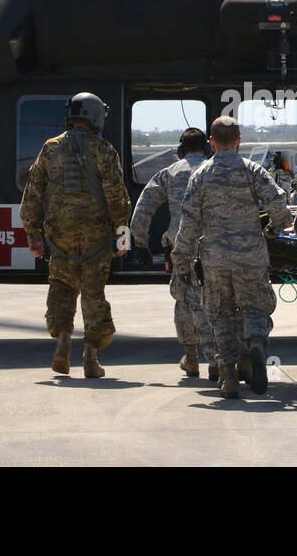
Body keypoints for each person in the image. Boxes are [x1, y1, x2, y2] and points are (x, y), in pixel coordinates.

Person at [174, 116, 292, 399]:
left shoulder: (200, 174)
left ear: (212, 143)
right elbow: (279, 205)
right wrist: (274, 227)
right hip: (250, 256)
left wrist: (181, 259)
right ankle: (255, 343)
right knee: (255, 308)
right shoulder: (252, 170)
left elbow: (188, 222)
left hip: (214, 259)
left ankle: (227, 377)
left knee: (221, 315)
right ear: (239, 142)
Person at [21, 92, 131, 379]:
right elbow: (117, 197)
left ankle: (63, 339)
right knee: (93, 293)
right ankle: (91, 356)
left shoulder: (49, 149)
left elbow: (32, 195)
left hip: (59, 238)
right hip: (96, 239)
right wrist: (122, 233)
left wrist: (33, 234)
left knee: (61, 287)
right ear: (95, 117)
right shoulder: (104, 150)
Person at [129, 127, 216, 380]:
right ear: (208, 148)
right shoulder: (215, 171)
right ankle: (217, 359)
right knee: (218, 301)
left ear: (180, 150)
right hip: (216, 248)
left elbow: (143, 209)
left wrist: (141, 243)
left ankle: (191, 358)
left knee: (185, 302)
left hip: (182, 250)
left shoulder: (169, 173)